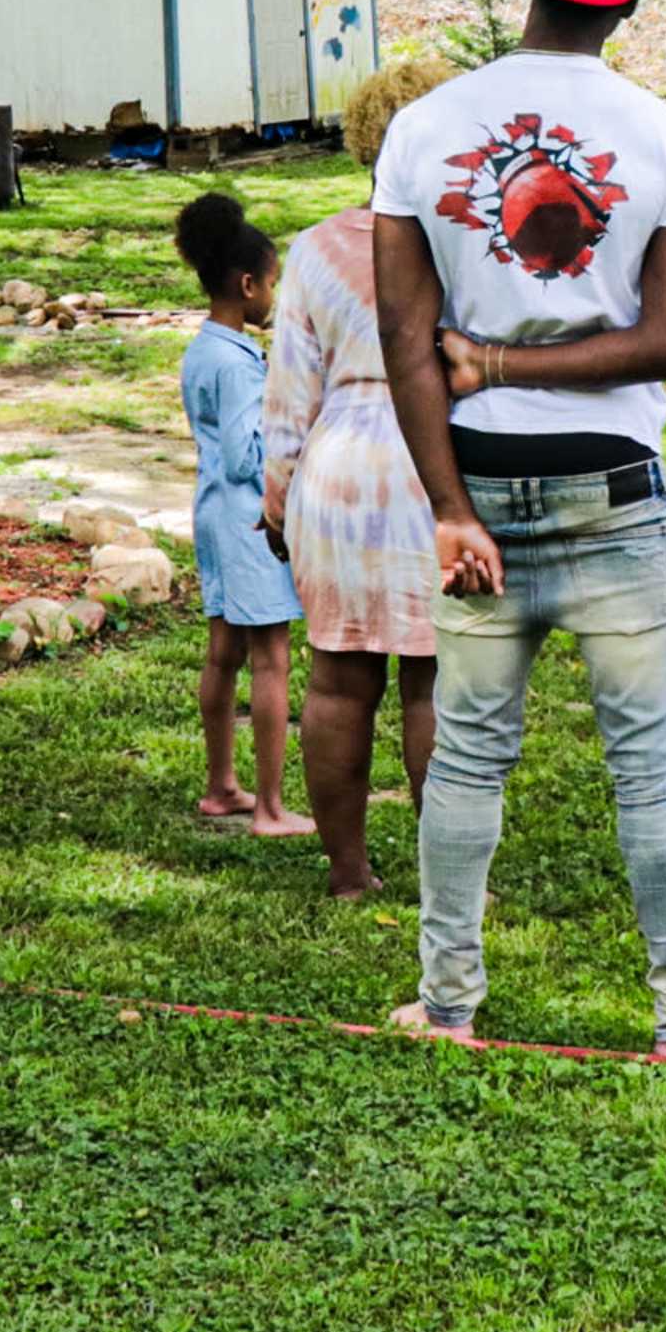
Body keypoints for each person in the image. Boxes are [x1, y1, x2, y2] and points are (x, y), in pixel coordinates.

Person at [370, 0, 666, 1063]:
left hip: (479, 489)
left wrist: (449, 502)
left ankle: (446, 1005)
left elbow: (407, 342)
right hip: (615, 491)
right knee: (651, 766)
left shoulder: (425, 127)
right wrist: (524, 359)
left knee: (467, 758)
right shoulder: (665, 136)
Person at [262, 56, 452, 900]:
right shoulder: (470, 247)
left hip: (336, 469)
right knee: (435, 678)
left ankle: (348, 871)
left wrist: (279, 500)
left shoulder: (313, 250)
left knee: (338, 677)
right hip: (436, 464)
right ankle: (449, 878)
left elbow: (287, 397)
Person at [178, 191, 312, 839]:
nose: (273, 300)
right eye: (273, 285)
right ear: (248, 283)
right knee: (272, 660)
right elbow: (241, 455)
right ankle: (270, 806)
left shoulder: (202, 349)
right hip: (248, 518)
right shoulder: (238, 363)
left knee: (223, 652)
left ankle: (220, 786)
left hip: (209, 514)